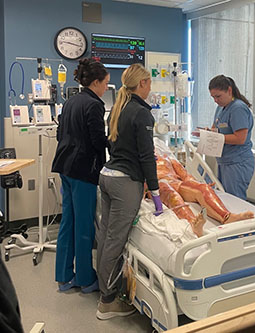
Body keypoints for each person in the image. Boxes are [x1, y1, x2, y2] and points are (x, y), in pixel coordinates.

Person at [96, 63, 163, 320]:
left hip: (107, 175)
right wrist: (155, 192)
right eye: (149, 83)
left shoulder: (118, 108)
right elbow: (147, 156)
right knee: (116, 240)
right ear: (143, 84)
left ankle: (105, 290)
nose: (150, 88)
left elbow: (114, 146)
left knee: (106, 236)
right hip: (125, 183)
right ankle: (108, 301)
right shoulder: (142, 113)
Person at [52, 58, 110, 293]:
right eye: (105, 83)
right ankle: (86, 279)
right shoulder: (94, 105)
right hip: (83, 170)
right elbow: (98, 140)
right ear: (95, 82)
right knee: (84, 225)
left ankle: (64, 277)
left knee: (68, 222)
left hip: (65, 167)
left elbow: (60, 134)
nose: (107, 87)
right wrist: (115, 146)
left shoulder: (71, 101)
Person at [208, 75, 255, 200]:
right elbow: (215, 129)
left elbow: (240, 138)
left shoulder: (238, 108)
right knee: (225, 199)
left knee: (235, 201)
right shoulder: (221, 108)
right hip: (224, 161)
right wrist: (206, 133)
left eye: (218, 96)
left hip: (237, 162)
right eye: (213, 97)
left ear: (229, 90)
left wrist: (217, 137)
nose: (215, 100)